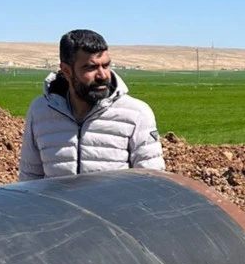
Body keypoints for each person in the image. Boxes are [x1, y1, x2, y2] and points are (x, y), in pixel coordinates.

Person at [18, 29, 163, 181]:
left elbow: (151, 181)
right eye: (91, 67)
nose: (102, 75)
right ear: (67, 71)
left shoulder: (136, 114)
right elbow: (30, 180)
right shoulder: (41, 111)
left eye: (106, 65)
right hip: (57, 205)